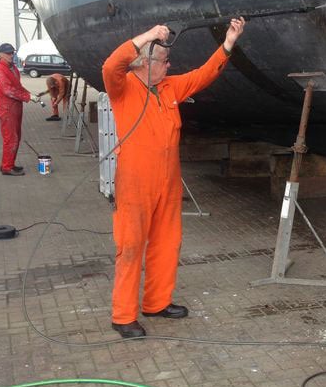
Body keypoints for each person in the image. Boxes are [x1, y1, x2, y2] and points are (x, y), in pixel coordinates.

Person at [103, 17, 245, 338]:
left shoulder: (169, 87)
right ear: (146, 63)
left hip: (168, 180)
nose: (170, 66)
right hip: (135, 183)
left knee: (168, 242)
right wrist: (149, 34)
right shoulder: (123, 87)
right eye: (165, 61)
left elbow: (202, 76)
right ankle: (123, 315)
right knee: (131, 245)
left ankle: (157, 302)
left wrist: (228, 44)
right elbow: (111, 64)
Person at [0, 43, 40, 176]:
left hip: (15, 107)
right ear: (0, 55)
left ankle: (9, 164)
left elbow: (18, 87)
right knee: (11, 138)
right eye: (8, 53)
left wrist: (30, 95)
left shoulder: (12, 68)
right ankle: (7, 167)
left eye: (12, 53)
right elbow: (8, 90)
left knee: (16, 137)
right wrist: (27, 96)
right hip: (7, 108)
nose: (11, 55)